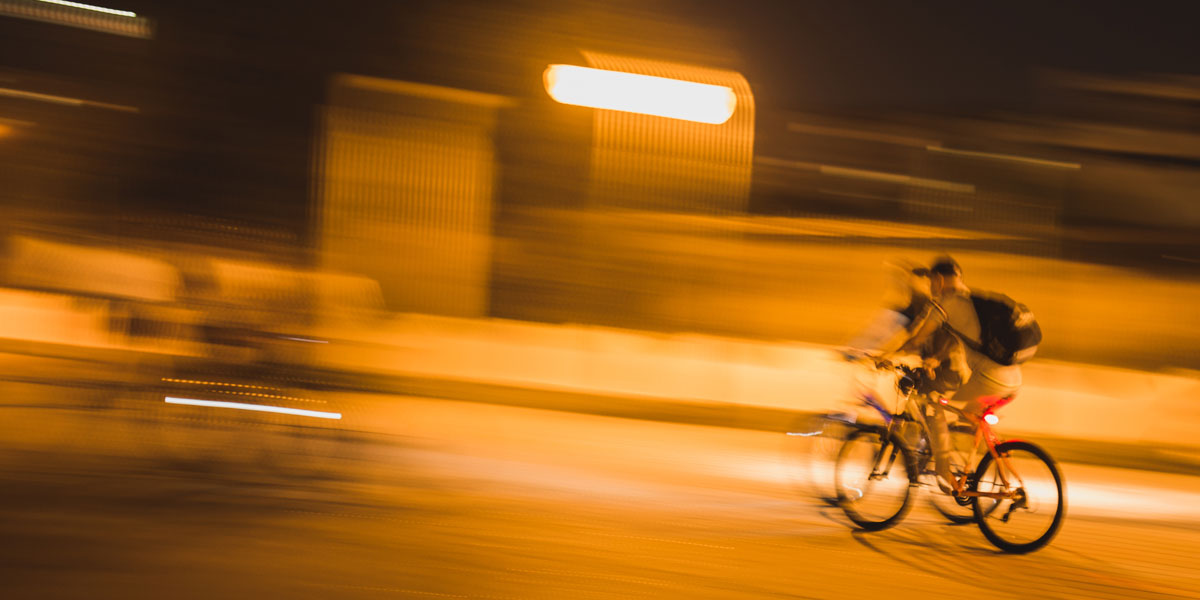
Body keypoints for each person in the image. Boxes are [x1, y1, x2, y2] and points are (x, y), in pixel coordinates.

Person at [902, 255, 1025, 491]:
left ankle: (944, 470)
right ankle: (1002, 468)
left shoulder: (946, 304)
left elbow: (917, 339)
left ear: (937, 279)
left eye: (931, 282)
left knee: (934, 401)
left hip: (990, 381)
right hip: (1013, 381)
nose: (930, 287)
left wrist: (884, 357)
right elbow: (957, 340)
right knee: (968, 415)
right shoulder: (973, 301)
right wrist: (936, 358)